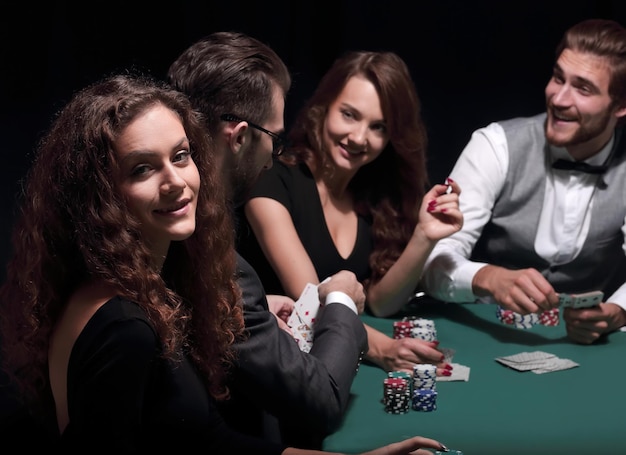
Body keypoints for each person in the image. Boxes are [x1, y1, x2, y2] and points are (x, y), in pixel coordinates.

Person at [0, 73, 448, 455]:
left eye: (180, 156)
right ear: (101, 195)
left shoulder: (140, 288)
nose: (176, 181)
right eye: (141, 169)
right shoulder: (125, 328)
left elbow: (212, 443)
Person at [166, 32, 368, 449]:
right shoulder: (209, 260)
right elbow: (322, 399)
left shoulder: (160, 233)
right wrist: (341, 301)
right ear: (239, 136)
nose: (274, 156)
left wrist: (252, 313)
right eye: (273, 140)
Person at [240, 50, 463, 373]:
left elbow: (381, 303)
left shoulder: (372, 199)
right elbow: (312, 299)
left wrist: (424, 235)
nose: (359, 137)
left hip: (334, 357)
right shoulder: (271, 180)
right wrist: (384, 348)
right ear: (323, 108)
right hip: (277, 368)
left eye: (378, 127)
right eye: (349, 114)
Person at [420, 18, 626, 345]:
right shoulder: (495, 145)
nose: (559, 98)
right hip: (487, 337)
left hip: (589, 350)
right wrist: (486, 277)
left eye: (583, 88)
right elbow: (430, 263)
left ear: (620, 106)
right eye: (558, 78)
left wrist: (618, 310)